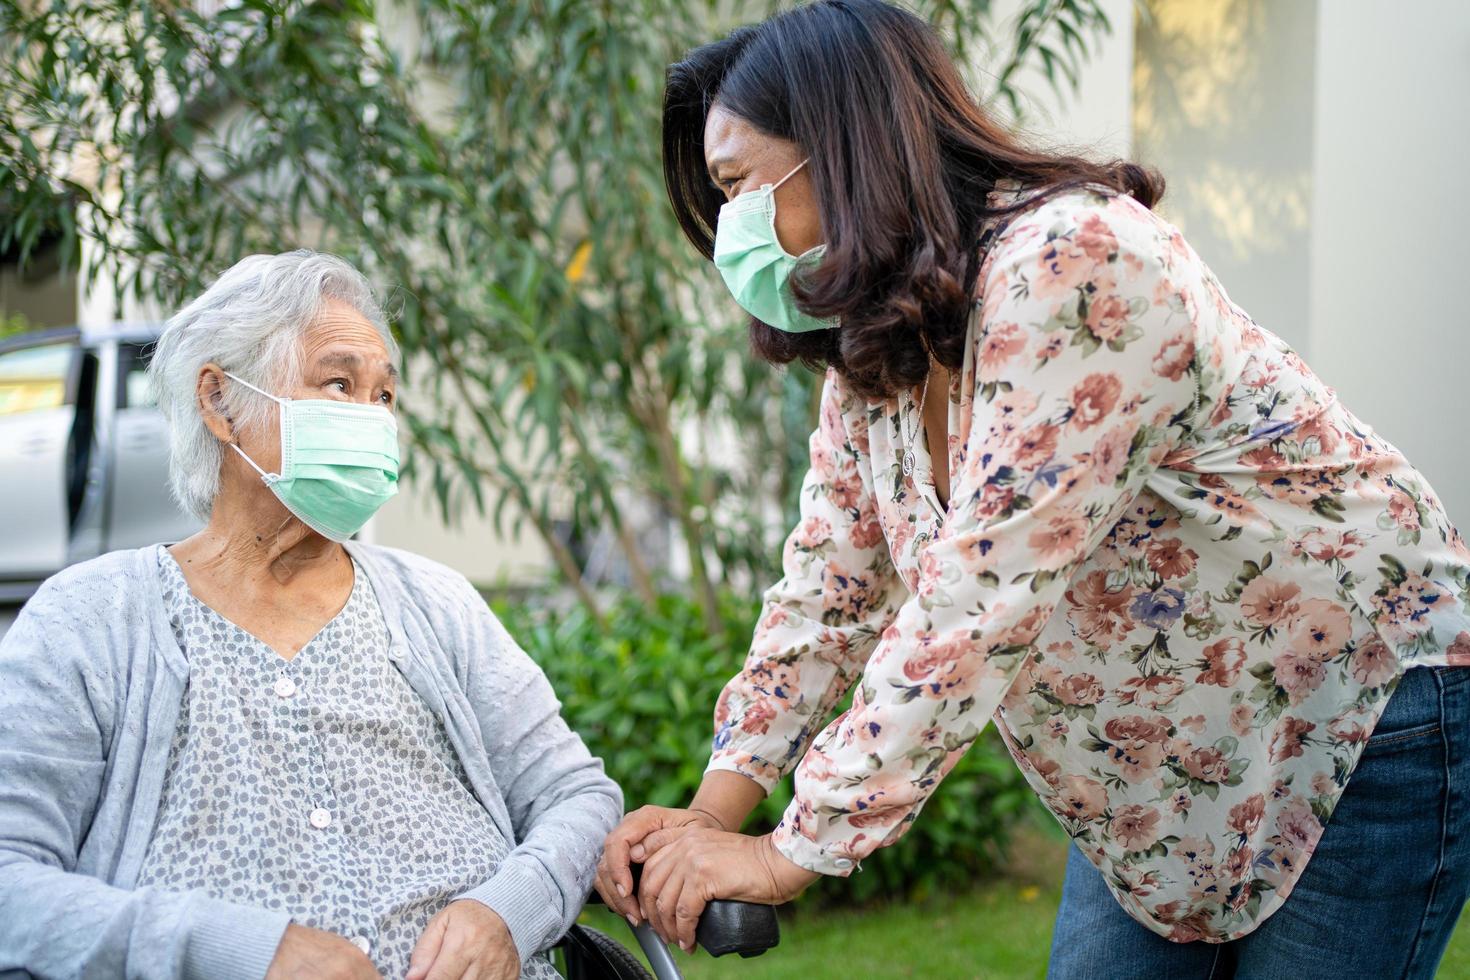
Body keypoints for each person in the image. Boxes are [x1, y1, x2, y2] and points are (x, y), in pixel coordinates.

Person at [594, 2, 1470, 976]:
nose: (730, 232)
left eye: (739, 188)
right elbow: (825, 596)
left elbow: (976, 601)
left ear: (844, 151)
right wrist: (710, 814)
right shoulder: (877, 356)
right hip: (1157, 763)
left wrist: (789, 849)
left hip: (1355, 706)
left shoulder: (1073, 262)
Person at [0, 251, 622, 980]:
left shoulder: (435, 603)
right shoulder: (92, 618)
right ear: (220, 401)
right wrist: (236, 951)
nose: (370, 419)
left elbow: (576, 795)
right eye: (338, 384)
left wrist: (507, 915)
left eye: (383, 396)